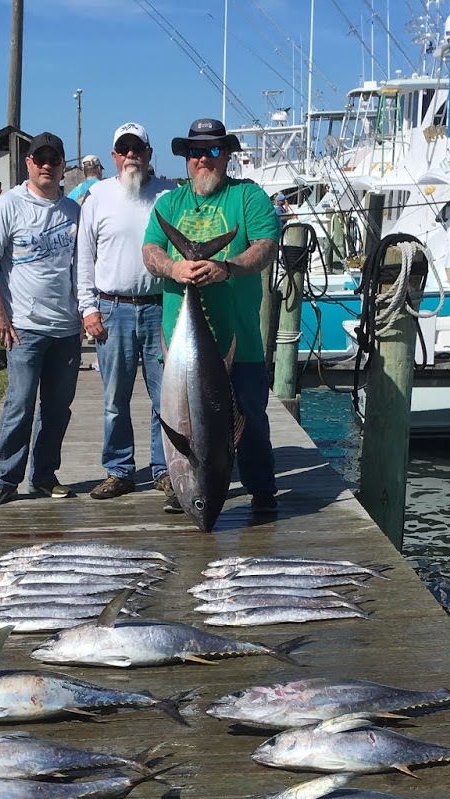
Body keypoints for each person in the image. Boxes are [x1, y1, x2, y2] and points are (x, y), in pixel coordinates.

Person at [142, 117, 280, 515]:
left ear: (228, 156)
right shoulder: (169, 203)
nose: (204, 159)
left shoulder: (248, 197)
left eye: (214, 151)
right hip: (181, 348)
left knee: (249, 421)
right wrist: (175, 269)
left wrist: (227, 268)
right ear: (187, 158)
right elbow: (150, 253)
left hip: (240, 341)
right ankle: (180, 487)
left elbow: (266, 247)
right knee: (177, 425)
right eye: (196, 152)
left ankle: (262, 490)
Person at [0, 131, 81, 507]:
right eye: (41, 159)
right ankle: (5, 477)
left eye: (54, 159)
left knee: (57, 409)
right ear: (29, 163)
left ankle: (44, 475)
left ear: (63, 164)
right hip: (24, 328)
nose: (47, 165)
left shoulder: (73, 212)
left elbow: (81, 270)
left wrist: (87, 312)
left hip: (67, 329)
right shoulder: (9, 205)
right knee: (19, 404)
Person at [76, 122, 174, 501]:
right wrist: (88, 309)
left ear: (149, 155)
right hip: (111, 309)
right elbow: (84, 257)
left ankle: (165, 468)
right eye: (124, 149)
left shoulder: (169, 194)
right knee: (115, 400)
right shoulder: (97, 195)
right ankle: (119, 469)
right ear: (114, 156)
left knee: (164, 398)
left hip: (158, 309)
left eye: (138, 149)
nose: (131, 155)